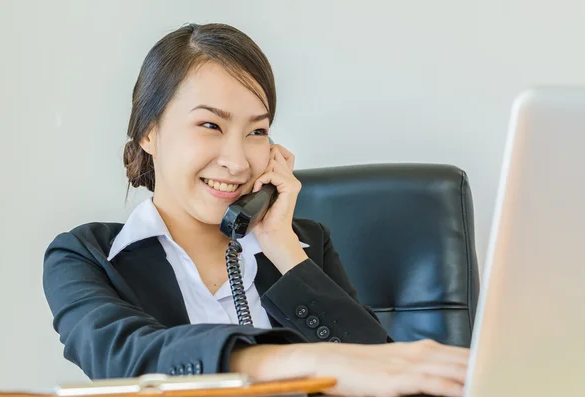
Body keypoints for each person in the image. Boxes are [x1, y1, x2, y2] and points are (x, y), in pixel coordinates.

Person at [43, 23, 469, 397]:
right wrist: (292, 364)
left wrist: (284, 250)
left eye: (257, 131)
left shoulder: (304, 245)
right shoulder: (87, 255)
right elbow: (126, 358)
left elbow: (382, 373)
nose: (238, 161)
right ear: (148, 132)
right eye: (210, 124)